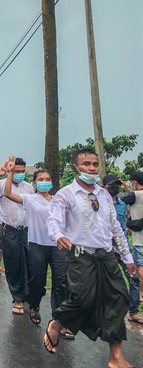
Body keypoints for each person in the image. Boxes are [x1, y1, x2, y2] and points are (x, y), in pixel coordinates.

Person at [43, 149, 136, 368]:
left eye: (95, 164)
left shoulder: (105, 195)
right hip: (80, 255)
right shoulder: (65, 194)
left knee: (119, 298)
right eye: (86, 164)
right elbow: (53, 221)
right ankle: (58, 322)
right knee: (82, 299)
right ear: (75, 167)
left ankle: (116, 357)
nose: (92, 168)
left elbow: (116, 228)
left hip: (107, 256)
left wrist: (128, 257)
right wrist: (59, 236)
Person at [3, 161, 68, 331]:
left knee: (60, 282)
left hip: (57, 247)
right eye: (40, 179)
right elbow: (7, 193)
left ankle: (58, 319)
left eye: (47, 179)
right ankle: (35, 306)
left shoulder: (58, 200)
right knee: (38, 281)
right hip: (37, 245)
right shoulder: (29, 199)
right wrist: (9, 173)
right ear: (35, 183)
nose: (44, 181)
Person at [0, 157, 33, 314]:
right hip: (8, 229)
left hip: (26, 230)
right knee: (13, 264)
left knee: (29, 263)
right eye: (15, 171)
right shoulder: (1, 185)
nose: (19, 174)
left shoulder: (29, 187)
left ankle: (29, 296)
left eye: (21, 171)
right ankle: (17, 299)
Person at [104, 174, 142, 324]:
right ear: (103, 188)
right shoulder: (99, 204)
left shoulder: (122, 204)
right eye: (110, 186)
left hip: (123, 248)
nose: (113, 188)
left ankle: (133, 311)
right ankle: (107, 311)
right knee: (108, 281)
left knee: (134, 279)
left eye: (115, 185)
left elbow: (125, 221)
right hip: (106, 249)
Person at [121, 170, 143, 304]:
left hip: (139, 238)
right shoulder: (137, 195)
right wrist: (127, 187)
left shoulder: (134, 195)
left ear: (134, 182)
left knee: (141, 266)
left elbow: (119, 200)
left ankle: (142, 292)